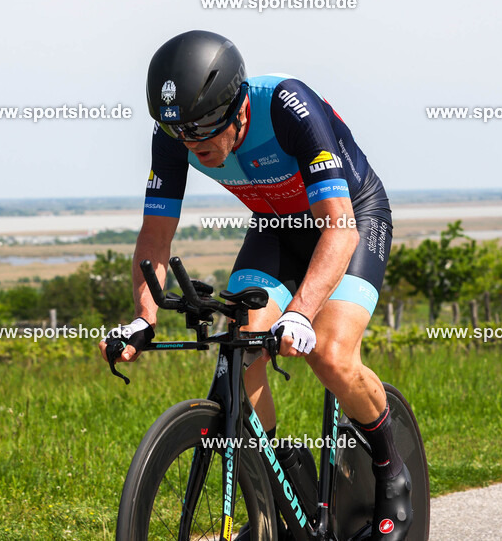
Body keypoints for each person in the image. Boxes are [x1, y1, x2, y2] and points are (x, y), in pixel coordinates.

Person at [99, 30, 411, 540]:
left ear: (237, 107)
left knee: (329, 354)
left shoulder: (289, 107)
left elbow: (339, 226)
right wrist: (142, 318)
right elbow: (156, 235)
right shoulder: (175, 134)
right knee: (240, 353)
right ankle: (283, 486)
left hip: (350, 220)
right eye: (182, 136)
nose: (194, 146)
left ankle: (390, 468)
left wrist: (301, 313)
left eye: (203, 133)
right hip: (275, 227)